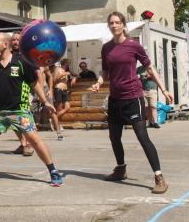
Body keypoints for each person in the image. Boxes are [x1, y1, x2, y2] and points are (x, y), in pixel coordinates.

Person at [91, 12, 173, 194]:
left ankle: (159, 177)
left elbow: (150, 69)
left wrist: (164, 90)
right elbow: (105, 73)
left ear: (123, 25)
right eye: (111, 23)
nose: (114, 26)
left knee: (142, 137)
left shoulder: (133, 46)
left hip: (133, 97)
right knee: (114, 137)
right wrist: (98, 83)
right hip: (115, 98)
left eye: (117, 22)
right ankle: (121, 168)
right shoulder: (106, 48)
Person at [0, 33, 63, 186]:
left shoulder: (21, 62)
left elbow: (34, 83)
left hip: (20, 109)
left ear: (5, 44)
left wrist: (45, 101)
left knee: (34, 140)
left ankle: (53, 171)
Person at [52, 62, 74, 140]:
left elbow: (76, 75)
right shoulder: (57, 69)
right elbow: (54, 80)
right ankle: (57, 124)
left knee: (67, 107)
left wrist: (74, 78)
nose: (69, 66)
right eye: (68, 64)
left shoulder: (67, 71)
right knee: (59, 109)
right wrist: (63, 74)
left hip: (65, 90)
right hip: (58, 89)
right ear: (64, 63)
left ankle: (54, 119)